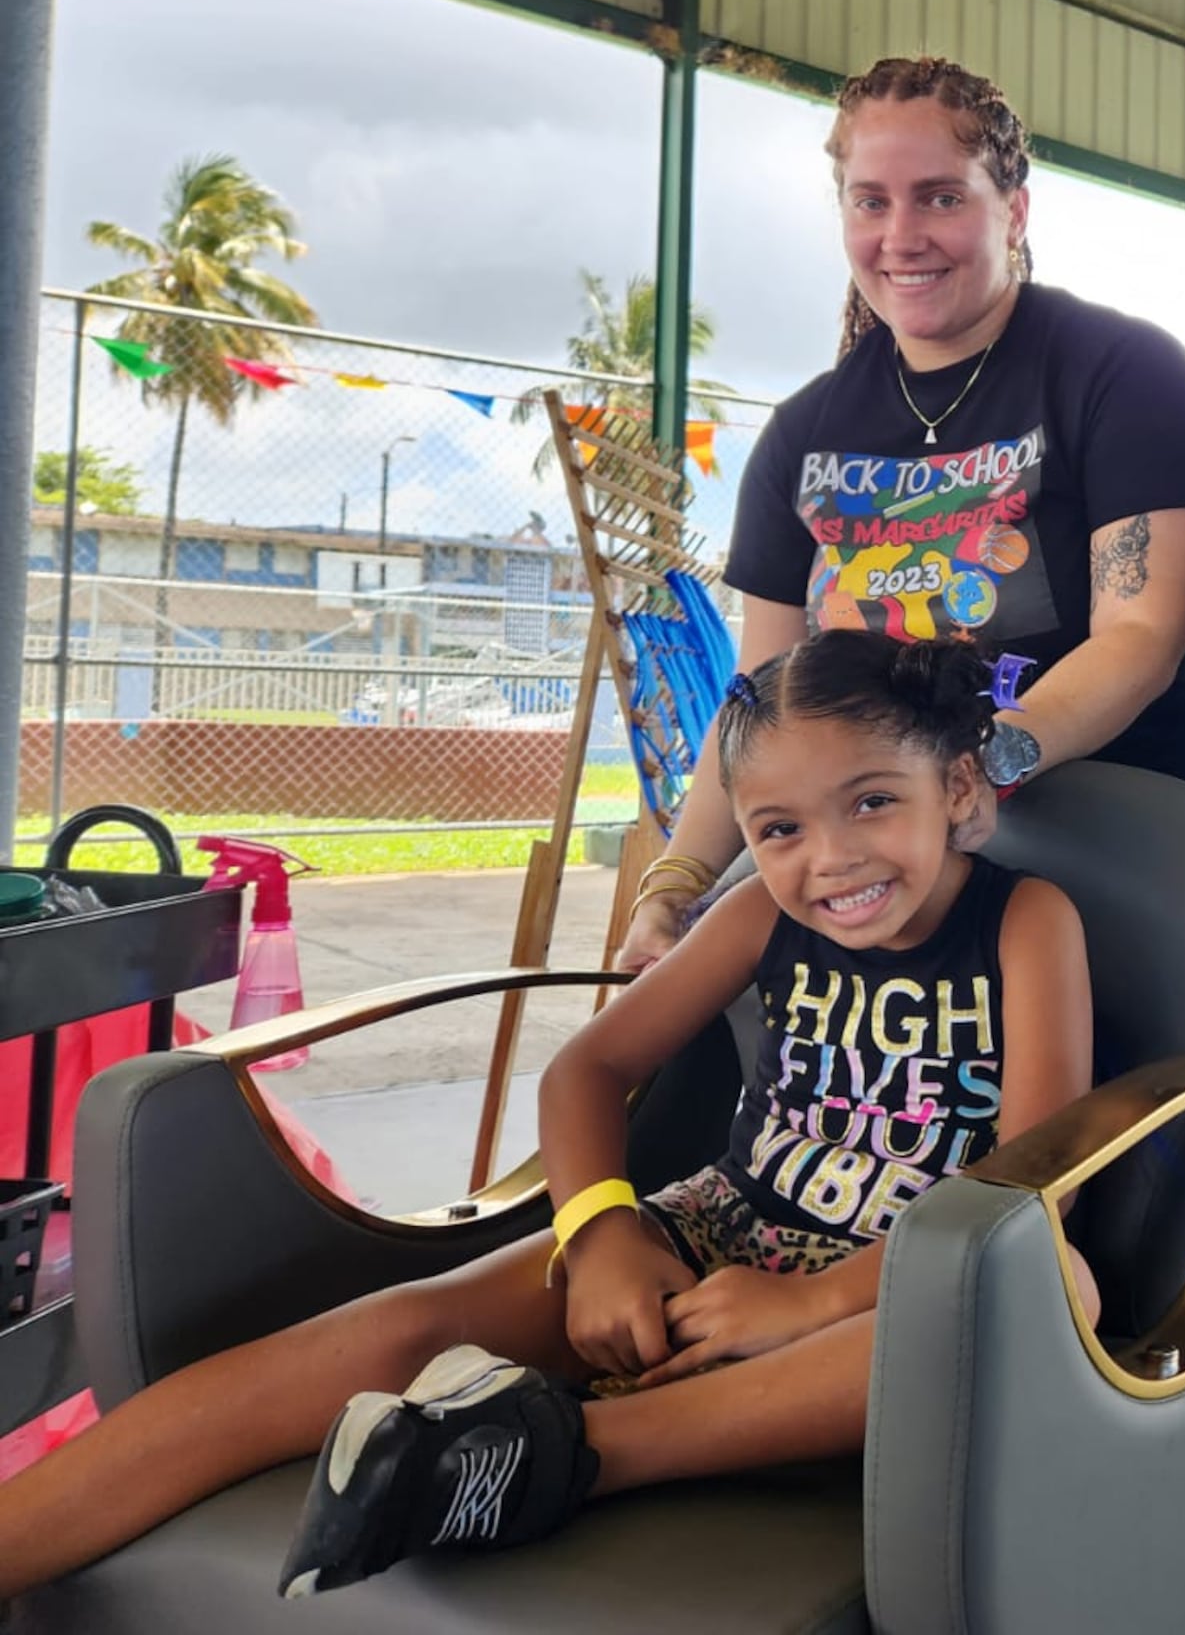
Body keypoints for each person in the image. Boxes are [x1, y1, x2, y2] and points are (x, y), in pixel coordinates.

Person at [0, 631, 1096, 1599]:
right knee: (395, 1329)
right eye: (778, 828)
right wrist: (603, 1235)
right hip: (708, 1242)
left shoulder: (1026, 922)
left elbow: (1024, 1178)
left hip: (903, 1281)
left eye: (870, 801)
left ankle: (565, 1449)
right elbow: (586, 1070)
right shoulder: (761, 912)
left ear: (957, 787)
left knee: (1041, 1294)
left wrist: (814, 1303)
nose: (831, 858)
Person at [619, 55, 1185, 972]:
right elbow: (760, 700)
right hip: (879, 886)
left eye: (940, 197)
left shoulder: (1118, 371)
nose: (901, 235)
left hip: (1115, 855)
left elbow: (1140, 635)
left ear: (1013, 209)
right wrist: (677, 883)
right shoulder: (802, 434)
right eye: (871, 202)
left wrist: (982, 768)